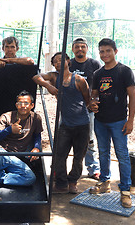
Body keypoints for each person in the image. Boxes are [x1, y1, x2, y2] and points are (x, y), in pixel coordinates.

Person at [89, 38, 135, 208]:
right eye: (102, 51)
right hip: (100, 121)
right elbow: (94, 95)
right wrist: (93, 103)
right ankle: (104, 183)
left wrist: (130, 120)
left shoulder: (125, 71)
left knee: (122, 155)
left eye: (108, 50)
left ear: (115, 51)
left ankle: (125, 191)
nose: (105, 54)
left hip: (119, 122)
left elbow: (132, 96)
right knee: (103, 152)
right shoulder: (98, 74)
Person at [0, 90, 43, 201]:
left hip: (16, 158)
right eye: (19, 103)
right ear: (16, 105)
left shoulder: (36, 118)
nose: (22, 106)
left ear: (32, 105)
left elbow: (37, 135)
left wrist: (37, 147)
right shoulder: (7, 116)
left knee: (30, 178)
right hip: (0, 153)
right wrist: (9, 130)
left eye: (26, 103)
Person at [51, 52, 91, 194]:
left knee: (79, 155)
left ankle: (73, 181)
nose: (58, 63)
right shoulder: (54, 78)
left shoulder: (78, 80)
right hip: (65, 125)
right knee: (59, 155)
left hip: (82, 125)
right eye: (55, 61)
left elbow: (87, 99)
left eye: (61, 60)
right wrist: (47, 85)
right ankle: (61, 184)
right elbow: (36, 77)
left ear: (68, 61)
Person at [70, 37, 102, 180]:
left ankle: (93, 169)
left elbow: (101, 84)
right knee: (64, 140)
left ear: (87, 48)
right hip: (69, 110)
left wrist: (94, 101)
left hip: (87, 110)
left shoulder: (94, 64)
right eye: (77, 47)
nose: (80, 49)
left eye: (83, 46)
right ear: (73, 49)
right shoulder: (68, 64)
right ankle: (59, 170)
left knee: (89, 140)